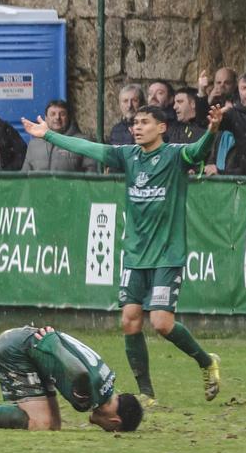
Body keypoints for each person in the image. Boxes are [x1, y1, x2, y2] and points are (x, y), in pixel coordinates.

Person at [22, 105, 223, 405]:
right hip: (135, 254)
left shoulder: (175, 156)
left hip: (167, 254)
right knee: (130, 320)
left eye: (145, 122)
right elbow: (89, 147)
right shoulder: (128, 156)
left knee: (162, 323)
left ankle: (206, 361)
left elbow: (199, 150)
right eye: (134, 123)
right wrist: (49, 135)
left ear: (162, 127)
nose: (137, 127)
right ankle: (146, 394)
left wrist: (212, 129)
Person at [0, 326, 143, 433]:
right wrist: (53, 345)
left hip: (35, 353)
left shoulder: (106, 381)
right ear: (115, 423)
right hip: (15, 350)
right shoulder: (91, 395)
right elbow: (80, 373)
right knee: (40, 423)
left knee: (53, 425)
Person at [21, 100, 97, 173]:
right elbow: (24, 176)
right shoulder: (34, 144)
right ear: (46, 118)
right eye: (52, 114)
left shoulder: (82, 142)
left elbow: (91, 173)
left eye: (62, 114)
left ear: (69, 117)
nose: (57, 117)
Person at [205, 71, 246, 176]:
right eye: (244, 88)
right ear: (239, 91)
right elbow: (205, 125)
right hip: (243, 176)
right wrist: (215, 122)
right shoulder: (233, 114)